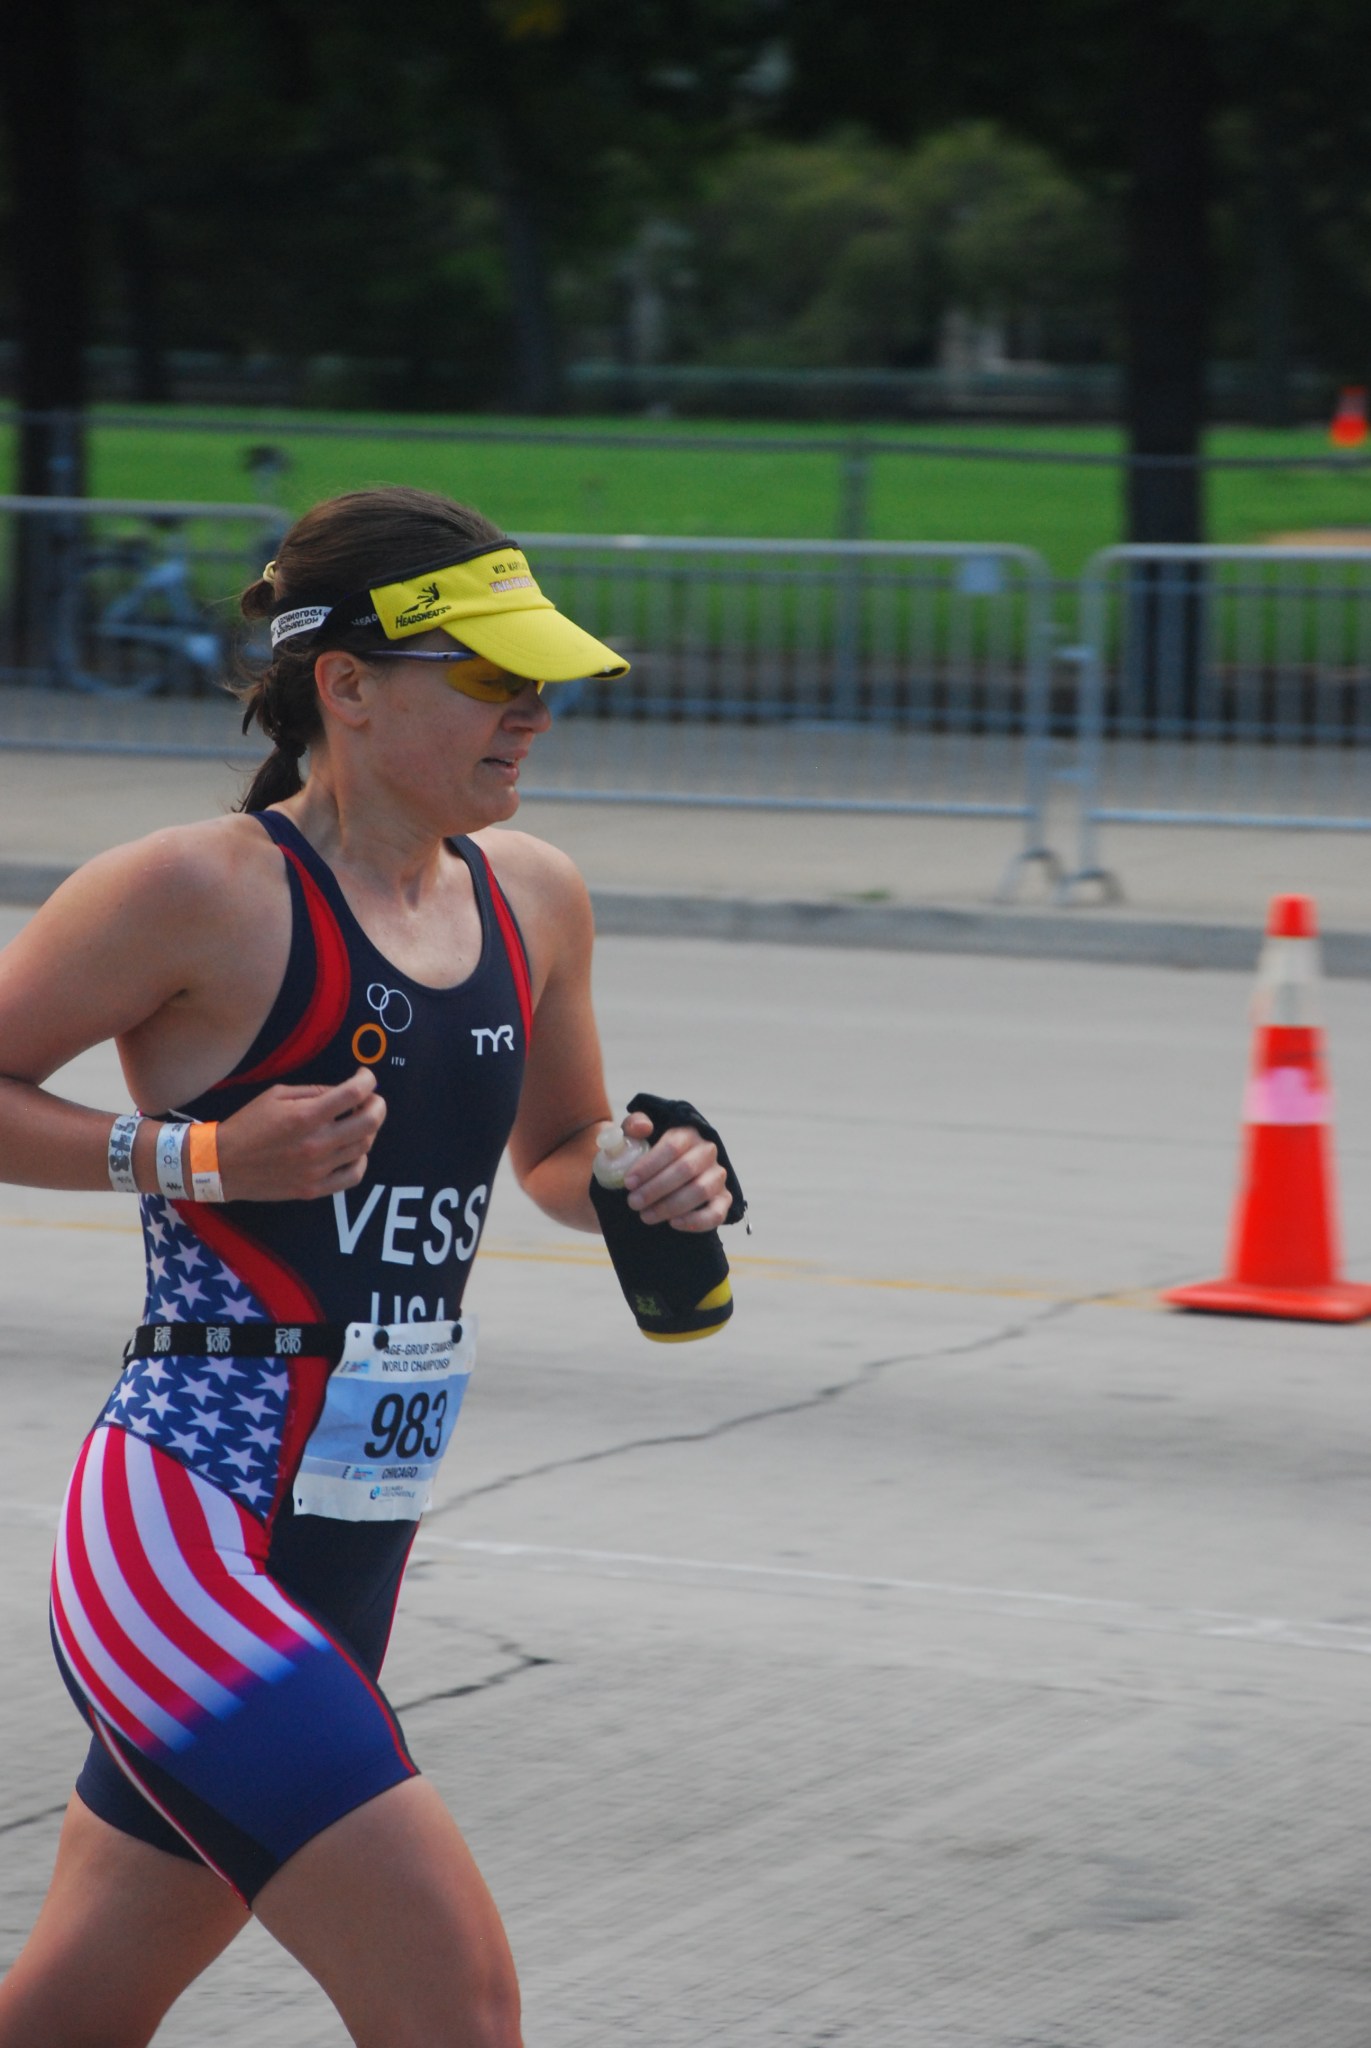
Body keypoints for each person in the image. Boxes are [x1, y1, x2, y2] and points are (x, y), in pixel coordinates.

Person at [0, 486, 733, 2048]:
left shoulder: (533, 894)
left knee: (73, 2011)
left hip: (354, 1538)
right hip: (184, 1532)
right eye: (491, 678)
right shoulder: (196, 890)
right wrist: (195, 1156)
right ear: (346, 684)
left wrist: (641, 1179)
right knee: (456, 2006)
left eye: (540, 680)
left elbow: (557, 1152)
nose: (532, 714)